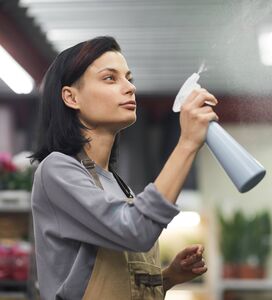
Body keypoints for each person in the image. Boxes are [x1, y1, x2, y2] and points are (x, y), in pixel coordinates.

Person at [30, 36, 219, 300]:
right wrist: (187, 143)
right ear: (71, 97)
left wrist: (167, 278)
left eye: (129, 78)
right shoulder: (57, 170)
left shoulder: (120, 186)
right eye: (110, 78)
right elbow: (135, 230)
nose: (129, 87)